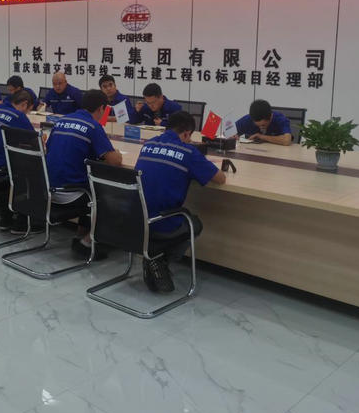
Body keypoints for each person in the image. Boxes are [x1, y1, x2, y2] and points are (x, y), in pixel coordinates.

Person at [135, 111, 226, 292]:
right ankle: (159, 258)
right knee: (194, 223)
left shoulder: (148, 144)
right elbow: (220, 178)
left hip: (135, 219)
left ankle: (154, 257)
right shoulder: (188, 152)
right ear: (186, 134)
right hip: (160, 222)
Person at [45, 89, 122, 259]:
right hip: (71, 193)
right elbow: (115, 162)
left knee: (90, 185)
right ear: (101, 108)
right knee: (111, 195)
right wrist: (116, 153)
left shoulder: (62, 121)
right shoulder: (93, 126)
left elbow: (49, 148)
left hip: (48, 190)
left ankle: (80, 235)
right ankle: (86, 243)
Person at [0, 90, 34, 232]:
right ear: (24, 104)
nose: (27, 113)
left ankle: (6, 218)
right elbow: (34, 141)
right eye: (28, 110)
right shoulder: (18, 116)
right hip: (1, 170)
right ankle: (23, 221)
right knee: (34, 168)